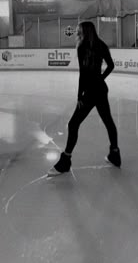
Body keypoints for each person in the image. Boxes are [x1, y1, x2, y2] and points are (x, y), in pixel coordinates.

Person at [48, 21, 121, 176]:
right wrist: (101, 78)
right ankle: (115, 154)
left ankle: (65, 161)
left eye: (79, 30)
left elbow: (83, 74)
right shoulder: (102, 45)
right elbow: (111, 65)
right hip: (100, 90)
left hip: (90, 92)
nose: (76, 32)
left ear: (85, 31)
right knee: (108, 121)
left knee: (73, 124)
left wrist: (79, 95)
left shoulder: (82, 47)